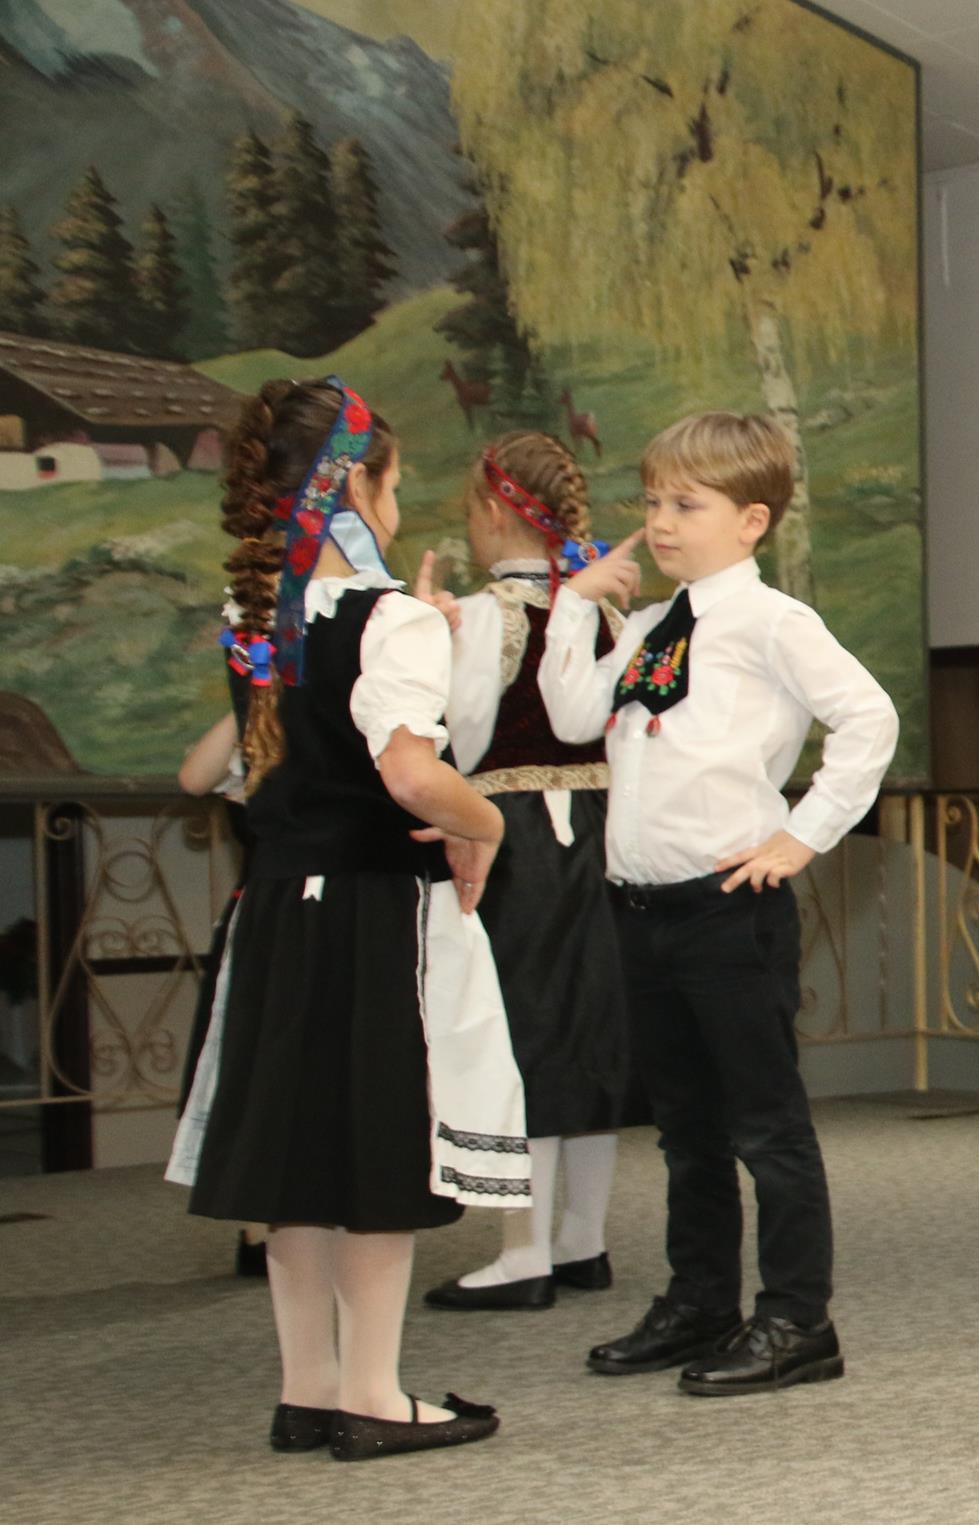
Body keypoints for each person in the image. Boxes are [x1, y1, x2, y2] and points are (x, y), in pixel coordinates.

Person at [165, 377, 530, 1458]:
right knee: (374, 1148)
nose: (397, 502)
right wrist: (487, 823)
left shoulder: (259, 621)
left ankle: (308, 1387)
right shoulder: (389, 619)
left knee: (300, 1155)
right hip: (371, 911)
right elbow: (412, 776)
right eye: (394, 482)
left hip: (277, 911)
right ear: (354, 489)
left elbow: (213, 771)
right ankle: (372, 1390)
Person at [539, 411, 897, 1397]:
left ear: (750, 521)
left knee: (764, 1126)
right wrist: (573, 605)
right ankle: (701, 1299)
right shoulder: (653, 626)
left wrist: (801, 835)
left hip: (726, 909)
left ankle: (797, 1319)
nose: (659, 521)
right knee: (684, 1128)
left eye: (685, 505)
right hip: (642, 911)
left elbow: (868, 718)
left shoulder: (772, 622)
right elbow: (572, 715)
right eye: (652, 501)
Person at [416, 432, 638, 1313]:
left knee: (527, 1034)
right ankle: (583, 1237)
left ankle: (524, 1250)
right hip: (605, 832)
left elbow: (465, 736)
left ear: (492, 511)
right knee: (592, 1030)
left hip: (515, 844)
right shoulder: (604, 615)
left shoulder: (485, 618)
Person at [175, 710, 269, 1276]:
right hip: (265, 919)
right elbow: (194, 777)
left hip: (349, 909)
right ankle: (257, 1230)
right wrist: (251, 696)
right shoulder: (260, 725)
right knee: (251, 1065)